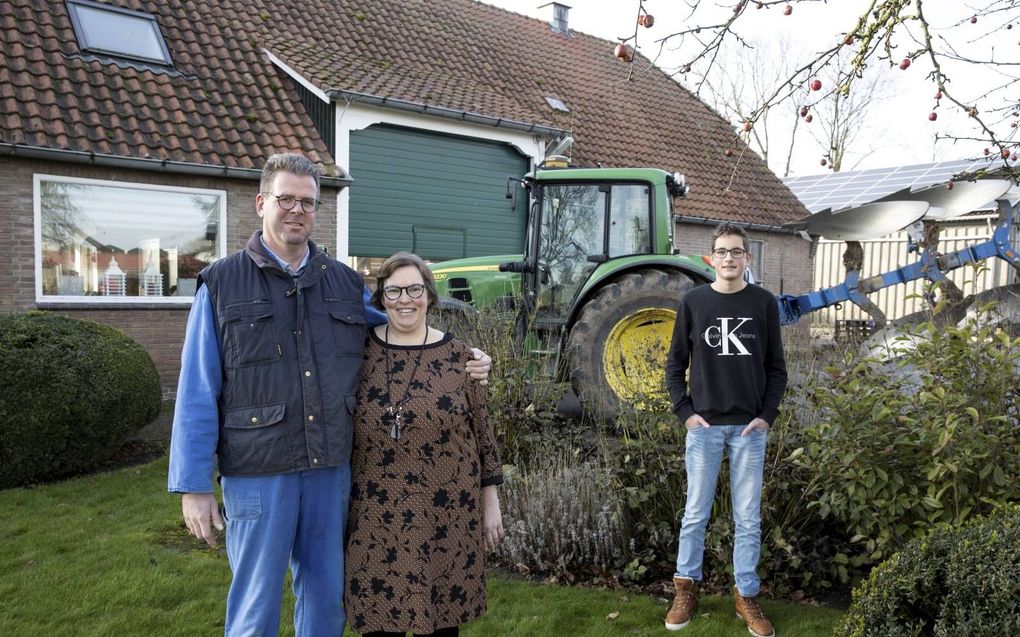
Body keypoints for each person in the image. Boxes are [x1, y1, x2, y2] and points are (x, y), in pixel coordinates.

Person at [167, 153, 491, 637]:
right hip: (258, 472)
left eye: (308, 202)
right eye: (286, 199)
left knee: (325, 604)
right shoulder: (221, 284)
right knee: (255, 607)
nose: (296, 210)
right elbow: (196, 390)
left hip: (330, 470)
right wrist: (193, 486)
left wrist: (465, 355)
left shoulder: (342, 283)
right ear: (261, 203)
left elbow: (404, 325)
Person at [344, 252, 504, 637]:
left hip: (445, 515)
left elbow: (483, 433)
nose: (405, 299)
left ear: (429, 296)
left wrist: (491, 500)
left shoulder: (460, 358)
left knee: (441, 623)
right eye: (394, 290)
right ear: (381, 298)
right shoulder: (355, 354)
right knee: (380, 622)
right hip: (374, 516)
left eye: (414, 289)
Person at [663, 223, 788, 637]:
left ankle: (745, 595)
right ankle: (686, 588)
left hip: (749, 430)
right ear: (711, 258)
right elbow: (674, 363)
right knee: (695, 514)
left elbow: (776, 369)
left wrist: (766, 415)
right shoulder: (694, 302)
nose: (729, 258)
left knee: (748, 518)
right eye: (722, 252)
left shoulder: (763, 303)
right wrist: (685, 411)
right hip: (704, 428)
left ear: (747, 258)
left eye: (737, 252)